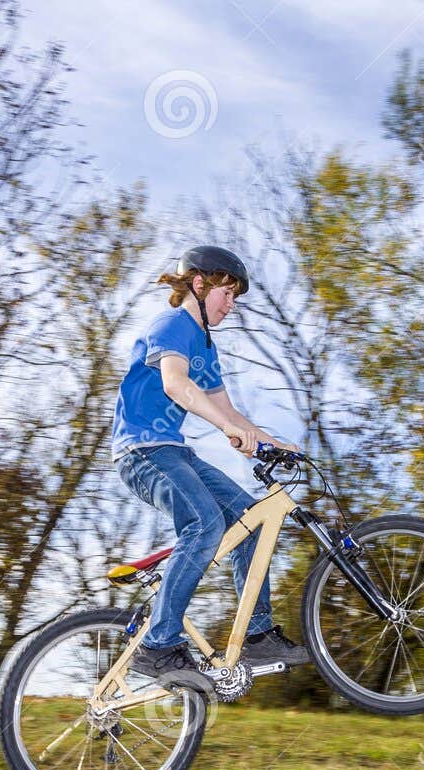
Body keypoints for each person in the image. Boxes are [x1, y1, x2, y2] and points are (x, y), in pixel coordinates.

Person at [112, 244, 312, 690]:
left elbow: (232, 415)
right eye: (227, 293)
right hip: (141, 452)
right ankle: (159, 645)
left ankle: (257, 634)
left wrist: (274, 444)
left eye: (236, 297)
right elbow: (175, 384)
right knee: (204, 524)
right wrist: (227, 427)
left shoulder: (206, 345)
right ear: (199, 285)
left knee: (248, 523)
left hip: (175, 453)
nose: (232, 305)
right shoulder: (172, 324)